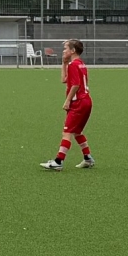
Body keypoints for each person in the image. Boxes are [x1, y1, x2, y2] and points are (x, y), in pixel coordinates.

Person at [39, 39, 95, 171]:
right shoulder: (80, 64)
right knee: (77, 131)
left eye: (66, 48)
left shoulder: (73, 65)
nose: (63, 51)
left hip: (78, 102)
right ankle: (88, 158)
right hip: (86, 101)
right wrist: (64, 63)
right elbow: (64, 80)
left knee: (67, 132)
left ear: (73, 51)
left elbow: (76, 85)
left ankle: (58, 161)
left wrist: (68, 100)